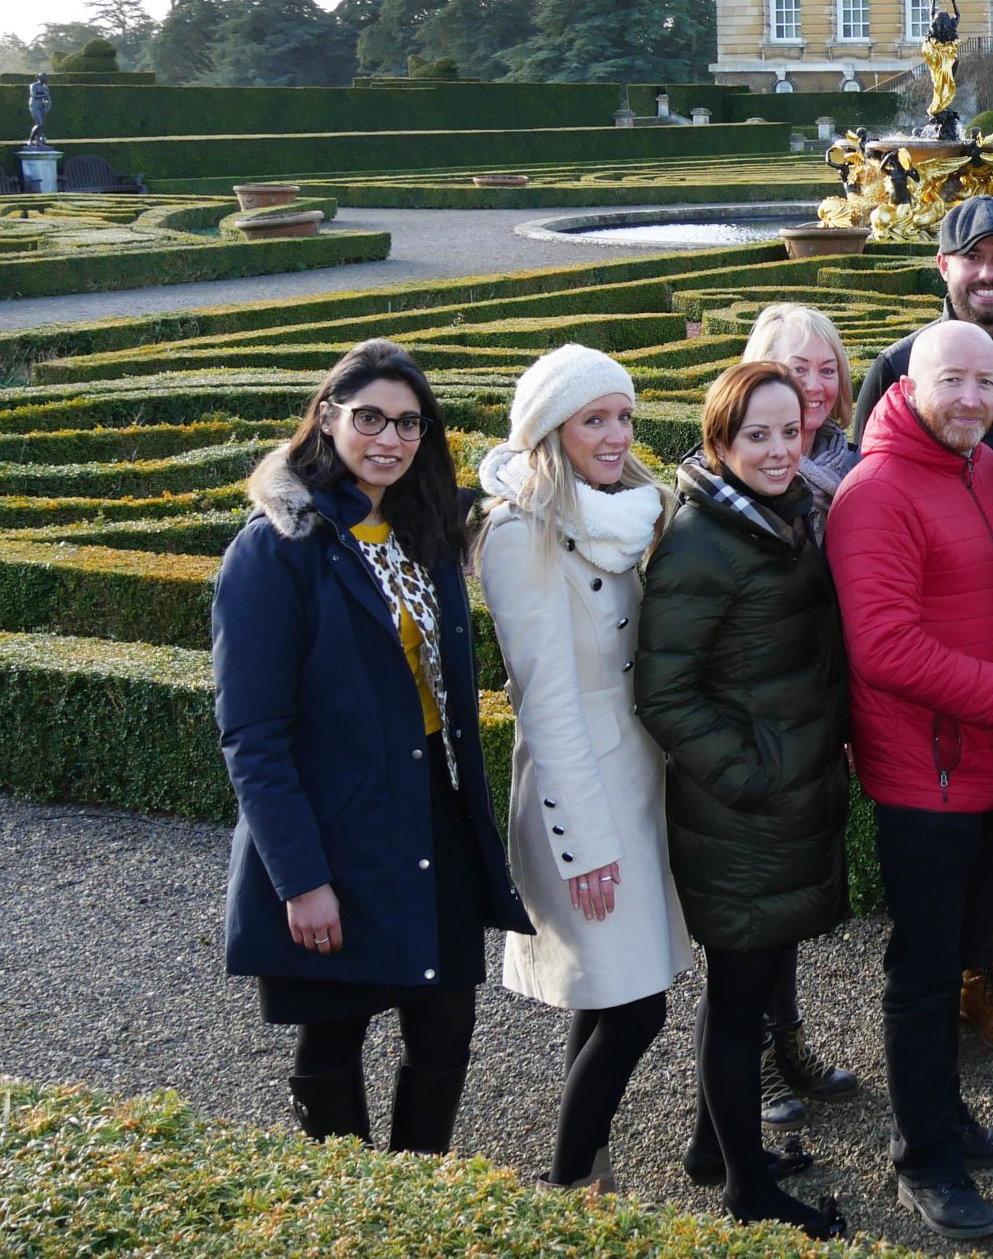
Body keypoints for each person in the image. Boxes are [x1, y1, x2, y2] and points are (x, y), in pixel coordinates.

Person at [214, 340, 530, 1153]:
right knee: (335, 1028)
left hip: (433, 807)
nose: (388, 438)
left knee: (446, 1018)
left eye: (408, 422)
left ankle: (415, 1195)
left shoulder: (422, 531)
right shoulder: (277, 546)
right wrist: (302, 876)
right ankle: (349, 1205)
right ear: (328, 416)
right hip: (336, 823)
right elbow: (253, 732)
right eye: (369, 418)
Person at [830, 321, 993, 1239]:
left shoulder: (981, 466)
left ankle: (948, 1117)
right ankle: (922, 1157)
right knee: (924, 975)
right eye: (952, 381)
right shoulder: (877, 492)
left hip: (986, 759)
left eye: (986, 381)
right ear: (910, 381)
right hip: (926, 773)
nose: (971, 398)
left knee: (961, 954)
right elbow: (885, 649)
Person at [852, 196, 993, 1060]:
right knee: (943, 859)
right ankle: (938, 1005)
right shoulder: (896, 366)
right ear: (942, 267)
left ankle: (982, 979)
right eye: (971, 257)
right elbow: (870, 505)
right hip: (940, 666)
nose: (988, 273)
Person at [636, 362, 851, 1233]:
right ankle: (748, 1192)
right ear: (719, 441)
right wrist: (752, 775)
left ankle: (710, 1147)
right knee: (737, 1003)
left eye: (789, 431)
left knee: (747, 988)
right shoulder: (701, 537)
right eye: (755, 435)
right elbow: (665, 694)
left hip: (780, 798)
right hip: (744, 813)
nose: (777, 449)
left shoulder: (781, 517)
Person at [476, 345, 687, 1192]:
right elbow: (547, 702)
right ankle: (567, 1188)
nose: (615, 434)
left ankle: (589, 1171)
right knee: (641, 1006)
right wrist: (584, 842)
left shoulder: (624, 508)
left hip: (636, 777)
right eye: (593, 418)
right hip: (583, 789)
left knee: (610, 991)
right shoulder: (518, 529)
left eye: (624, 415)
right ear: (549, 428)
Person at [737, 303, 865, 1128]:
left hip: (825, 709)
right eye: (796, 367)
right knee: (753, 906)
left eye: (828, 369)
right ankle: (748, 1065)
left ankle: (786, 1038)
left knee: (790, 898)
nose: (814, 386)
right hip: (759, 723)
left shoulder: (854, 465)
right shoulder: (740, 472)